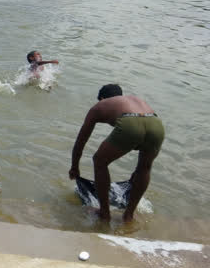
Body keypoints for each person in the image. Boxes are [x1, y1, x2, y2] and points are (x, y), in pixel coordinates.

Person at [69, 84, 164, 222]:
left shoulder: (100, 106)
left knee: (99, 161)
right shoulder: (132, 100)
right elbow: (144, 127)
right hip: (156, 123)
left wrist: (74, 167)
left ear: (102, 98)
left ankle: (104, 213)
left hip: (130, 122)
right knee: (144, 168)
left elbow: (81, 141)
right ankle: (129, 215)